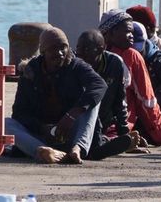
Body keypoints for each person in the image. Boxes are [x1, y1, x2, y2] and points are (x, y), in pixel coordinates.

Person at [7, 27, 105, 165]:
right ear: (43, 52)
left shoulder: (76, 65)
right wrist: (42, 128)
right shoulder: (30, 72)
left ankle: (78, 149)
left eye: (63, 47)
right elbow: (19, 113)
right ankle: (43, 152)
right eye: (53, 48)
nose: (59, 53)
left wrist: (71, 116)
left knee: (93, 101)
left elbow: (99, 85)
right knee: (6, 124)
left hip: (71, 133)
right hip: (42, 137)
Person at [99, 10, 161, 147]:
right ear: (110, 33)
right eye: (127, 32)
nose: (131, 36)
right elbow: (148, 101)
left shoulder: (94, 52)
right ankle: (122, 140)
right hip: (117, 125)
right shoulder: (132, 56)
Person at [74, 30, 140, 159]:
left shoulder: (115, 64)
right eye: (78, 48)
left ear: (101, 49)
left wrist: (125, 136)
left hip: (103, 119)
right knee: (91, 100)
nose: (80, 53)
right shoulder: (75, 64)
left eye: (86, 49)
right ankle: (100, 144)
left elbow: (120, 101)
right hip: (80, 119)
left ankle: (100, 143)